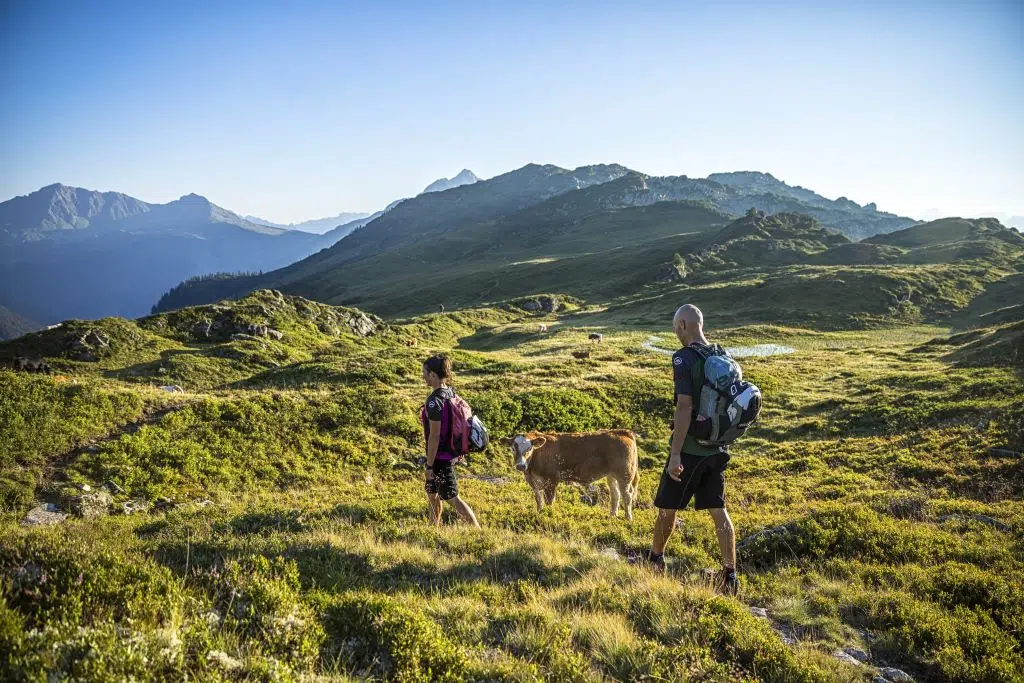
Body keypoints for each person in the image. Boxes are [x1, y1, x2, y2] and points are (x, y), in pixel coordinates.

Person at [646, 304, 738, 595]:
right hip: (717, 449)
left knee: (667, 509)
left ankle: (656, 559)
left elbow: (684, 406)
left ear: (684, 325)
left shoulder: (683, 359)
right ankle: (730, 574)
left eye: (676, 328)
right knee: (719, 511)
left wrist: (675, 454)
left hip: (689, 450)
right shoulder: (724, 356)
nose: (676, 333)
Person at [421, 354, 480, 527]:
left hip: (440, 457)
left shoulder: (434, 401)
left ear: (432, 374)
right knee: (432, 493)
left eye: (424, 372)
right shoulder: (450, 393)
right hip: (449, 453)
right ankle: (433, 529)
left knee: (452, 497)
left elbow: (434, 436)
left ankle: (478, 531)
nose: (423, 376)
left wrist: (430, 466)